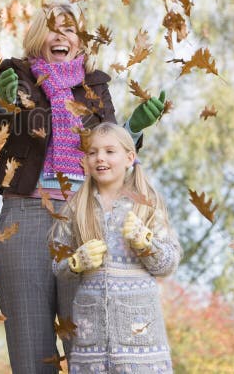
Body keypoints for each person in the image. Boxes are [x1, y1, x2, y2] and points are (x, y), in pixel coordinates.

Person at [0, 3, 166, 373]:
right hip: (24, 217)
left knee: (87, 340)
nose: (61, 35)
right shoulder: (15, 74)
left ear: (79, 40)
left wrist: (133, 129)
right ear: (38, 36)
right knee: (29, 345)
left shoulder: (94, 85)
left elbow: (110, 146)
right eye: (53, 27)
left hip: (82, 219)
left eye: (70, 28)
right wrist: (3, 102)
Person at [52, 122, 180, 372]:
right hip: (92, 349)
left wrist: (146, 244)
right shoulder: (75, 209)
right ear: (86, 161)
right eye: (92, 152)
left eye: (110, 151)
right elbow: (58, 264)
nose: (100, 157)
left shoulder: (146, 204)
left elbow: (169, 262)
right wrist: (76, 262)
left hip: (141, 348)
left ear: (129, 157)